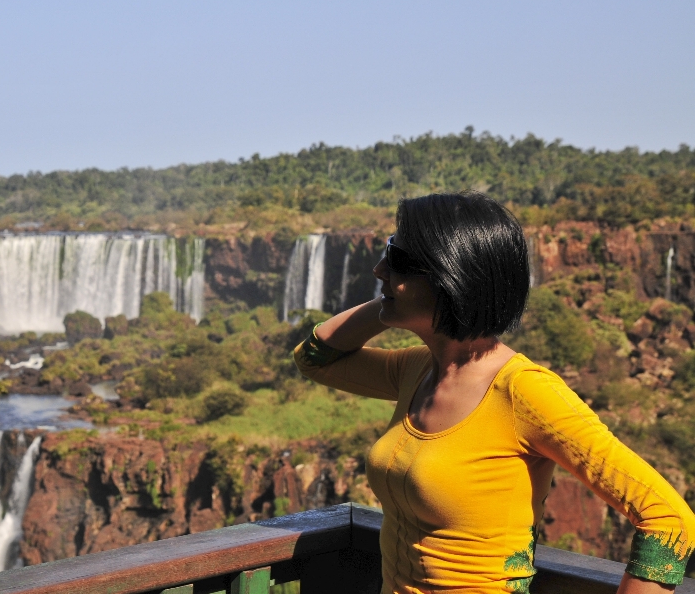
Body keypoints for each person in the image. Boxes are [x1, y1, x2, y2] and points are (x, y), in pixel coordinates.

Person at [293, 192, 695, 594]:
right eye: (387, 250)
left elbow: (669, 519)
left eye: (397, 258)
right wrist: (390, 296)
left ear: (451, 275)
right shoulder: (417, 368)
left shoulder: (525, 392)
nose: (379, 268)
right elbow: (315, 357)